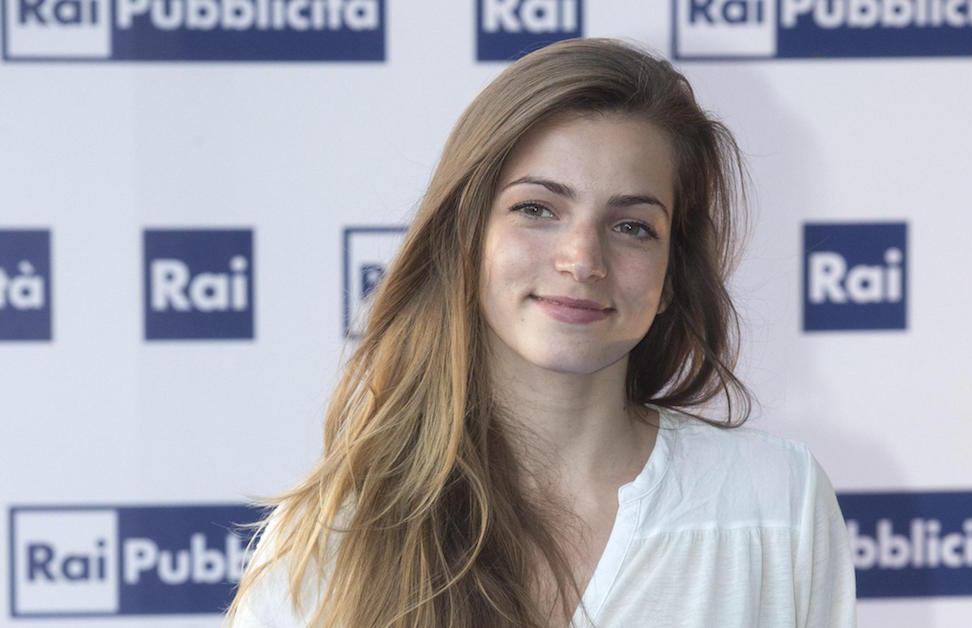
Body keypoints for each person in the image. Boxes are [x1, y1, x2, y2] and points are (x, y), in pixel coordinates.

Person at [226, 38, 856, 628]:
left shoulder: (775, 504)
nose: (582, 259)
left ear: (671, 276)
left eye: (632, 226)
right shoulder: (327, 542)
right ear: (466, 240)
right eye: (537, 209)